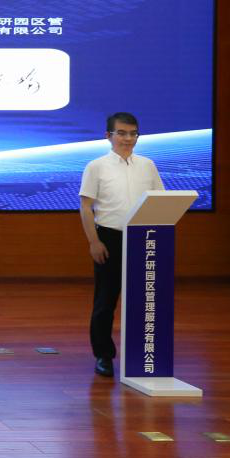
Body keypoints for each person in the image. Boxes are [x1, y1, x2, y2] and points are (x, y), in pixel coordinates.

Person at [79, 112, 164, 378]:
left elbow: (160, 200)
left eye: (133, 133)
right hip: (109, 238)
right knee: (106, 300)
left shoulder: (148, 165)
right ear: (109, 136)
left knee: (144, 298)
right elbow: (85, 206)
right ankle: (103, 355)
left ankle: (141, 353)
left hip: (143, 238)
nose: (128, 139)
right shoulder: (96, 166)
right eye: (122, 133)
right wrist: (94, 241)